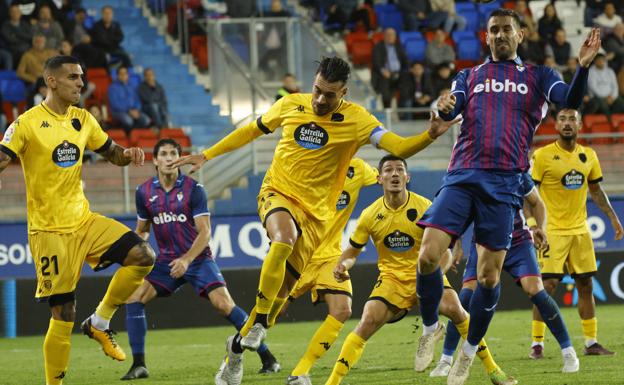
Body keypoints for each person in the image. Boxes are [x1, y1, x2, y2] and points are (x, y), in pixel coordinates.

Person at [172, 56, 459, 385]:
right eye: (317, 91)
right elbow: (251, 130)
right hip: (277, 193)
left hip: (316, 224)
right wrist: (207, 155)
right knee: (282, 238)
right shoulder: (291, 104)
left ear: (344, 93)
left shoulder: (358, 122)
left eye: (330, 95)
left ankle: (237, 348)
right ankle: (263, 325)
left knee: (286, 293)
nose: (321, 100)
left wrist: (430, 135)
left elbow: (397, 148)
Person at [413, 8, 599, 385]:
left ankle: (467, 353)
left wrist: (582, 67)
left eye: (506, 30)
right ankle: (430, 327)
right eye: (493, 30)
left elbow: (569, 102)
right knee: (428, 254)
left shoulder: (539, 76)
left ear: (521, 34)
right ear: (486, 37)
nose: (499, 35)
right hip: (463, 174)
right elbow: (452, 104)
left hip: (504, 185)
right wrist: (443, 107)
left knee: (487, 278)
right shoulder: (471, 75)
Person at [0, 55, 155, 385]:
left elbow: (112, 153)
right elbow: (3, 156)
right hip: (49, 231)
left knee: (143, 256)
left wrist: (127, 155)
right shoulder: (26, 123)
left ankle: (99, 322)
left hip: (84, 221)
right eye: (73, 77)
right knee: (63, 314)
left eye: (81, 77)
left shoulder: (83, 119)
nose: (81, 84)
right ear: (52, 82)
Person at [324, 155, 515, 385]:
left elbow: (444, 251)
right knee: (366, 321)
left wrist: (438, 272)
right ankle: (331, 382)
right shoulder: (369, 215)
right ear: (379, 178)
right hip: (391, 280)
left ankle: (493, 370)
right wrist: (342, 265)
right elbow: (352, 252)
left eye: (399, 170)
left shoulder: (425, 207)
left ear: (407, 177)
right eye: (388, 170)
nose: (394, 174)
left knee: (457, 310)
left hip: (424, 276)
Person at [121, 138, 280, 380]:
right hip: (165, 262)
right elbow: (143, 229)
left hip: (198, 259)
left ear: (179, 159)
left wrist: (186, 260)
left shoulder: (194, 190)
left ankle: (268, 357)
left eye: (173, 153)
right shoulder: (143, 192)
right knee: (134, 298)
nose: (168, 158)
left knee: (224, 306)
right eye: (163, 154)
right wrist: (129, 248)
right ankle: (139, 365)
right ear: (155, 160)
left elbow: (205, 232)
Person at [430, 172, 579, 378]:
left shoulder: (517, 172)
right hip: (483, 243)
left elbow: (537, 202)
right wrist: (456, 246)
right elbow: (461, 215)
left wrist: (540, 228)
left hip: (518, 242)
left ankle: (568, 352)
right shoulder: (471, 174)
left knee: (536, 291)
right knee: (464, 299)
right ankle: (446, 360)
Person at [530, 108, 623, 358]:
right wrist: (532, 224)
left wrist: (614, 218)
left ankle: (591, 342)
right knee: (546, 286)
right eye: (562, 119)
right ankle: (537, 343)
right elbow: (528, 194)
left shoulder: (589, 155)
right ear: (555, 125)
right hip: (552, 231)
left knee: (585, 284)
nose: (567, 123)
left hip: (580, 231)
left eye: (572, 119)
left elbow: (596, 191)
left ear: (580, 125)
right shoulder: (542, 156)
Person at [283, 157, 378, 385]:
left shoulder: (358, 168)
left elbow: (383, 176)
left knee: (342, 310)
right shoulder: (307, 165)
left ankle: (299, 372)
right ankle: (233, 356)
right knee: (267, 315)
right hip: (300, 255)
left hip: (330, 257)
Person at [371, 28, 409, 108]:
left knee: (408, 81)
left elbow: (406, 60)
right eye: (388, 35)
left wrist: (409, 69)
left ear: (395, 37)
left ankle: (403, 110)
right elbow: (376, 62)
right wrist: (383, 71)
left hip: (399, 73)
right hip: (385, 73)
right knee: (385, 84)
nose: (390, 37)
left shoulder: (399, 46)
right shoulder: (378, 47)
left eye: (392, 35)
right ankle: (387, 108)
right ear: (384, 36)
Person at [108, 66, 150, 133]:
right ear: (117, 76)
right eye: (121, 74)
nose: (123, 76)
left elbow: (137, 100)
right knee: (128, 121)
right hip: (118, 112)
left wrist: (137, 109)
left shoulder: (132, 86)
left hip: (134, 111)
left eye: (125, 74)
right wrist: (128, 111)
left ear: (128, 75)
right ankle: (128, 136)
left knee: (146, 120)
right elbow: (115, 104)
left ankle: (136, 135)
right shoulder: (112, 88)